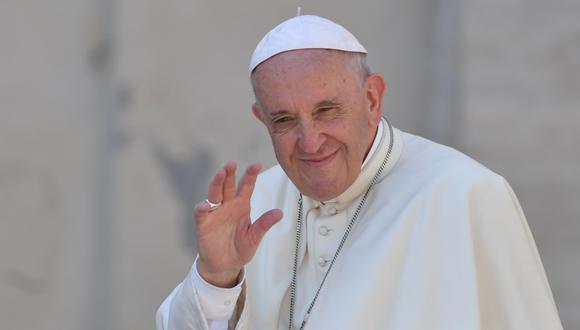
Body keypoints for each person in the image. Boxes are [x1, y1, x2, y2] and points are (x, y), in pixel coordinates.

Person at [156, 15, 562, 330]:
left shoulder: (466, 193)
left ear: (371, 99)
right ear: (261, 120)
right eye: (284, 120)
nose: (310, 142)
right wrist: (217, 279)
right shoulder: (257, 205)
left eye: (326, 111)